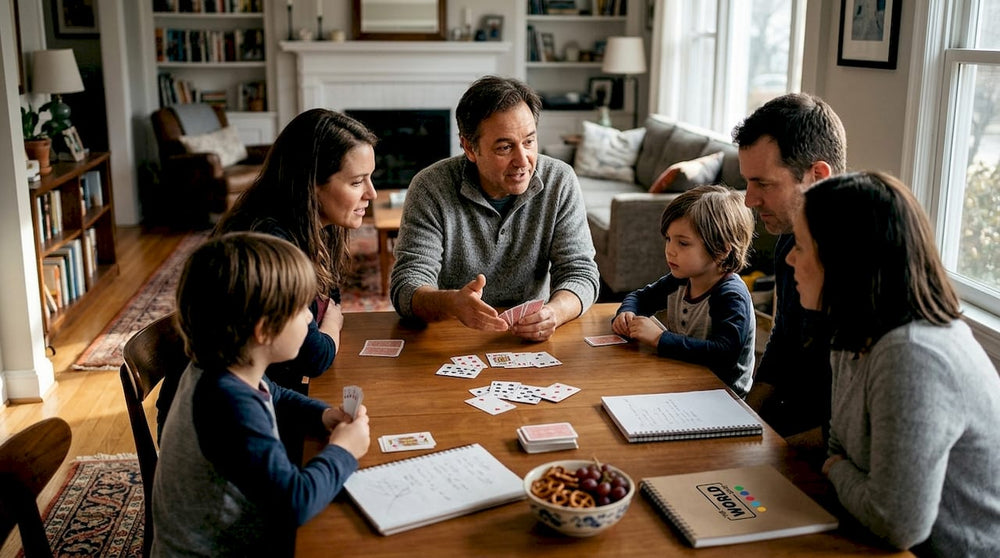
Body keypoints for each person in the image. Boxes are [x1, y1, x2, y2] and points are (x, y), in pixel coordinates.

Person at [787, 172, 1000, 556]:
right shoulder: (852, 331)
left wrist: (836, 470)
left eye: (800, 247)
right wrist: (842, 468)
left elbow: (896, 523)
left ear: (843, 262)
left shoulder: (914, 355)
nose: (788, 259)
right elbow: (838, 443)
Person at [156, 109, 377, 435]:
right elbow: (314, 356)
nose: (371, 193)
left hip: (270, 392)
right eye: (357, 182)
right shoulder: (268, 243)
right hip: (225, 420)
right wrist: (331, 323)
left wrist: (327, 321)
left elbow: (331, 297)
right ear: (311, 183)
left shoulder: (318, 223)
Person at [152, 232, 371, 557]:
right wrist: (344, 450)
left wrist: (321, 415)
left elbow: (276, 396)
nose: (312, 317)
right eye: (302, 310)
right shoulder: (228, 402)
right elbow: (295, 502)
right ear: (264, 330)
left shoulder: (224, 369)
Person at [389, 76, 600, 342]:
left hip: (531, 339)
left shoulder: (560, 180)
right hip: (451, 335)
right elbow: (406, 286)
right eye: (505, 147)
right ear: (469, 147)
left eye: (529, 142)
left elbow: (580, 271)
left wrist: (554, 313)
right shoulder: (430, 187)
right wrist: (452, 303)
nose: (523, 161)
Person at [732, 93, 847, 444]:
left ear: (817, 175)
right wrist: (741, 420)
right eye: (747, 182)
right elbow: (783, 345)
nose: (749, 200)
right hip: (786, 427)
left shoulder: (863, 263)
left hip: (828, 448)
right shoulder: (790, 239)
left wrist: (770, 451)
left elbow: (855, 431)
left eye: (763, 183)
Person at [612, 185, 756, 397]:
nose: (670, 250)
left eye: (683, 243)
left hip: (722, 397)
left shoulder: (731, 295)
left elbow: (724, 353)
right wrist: (626, 314)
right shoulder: (679, 280)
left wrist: (660, 339)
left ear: (723, 248)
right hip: (682, 380)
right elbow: (639, 297)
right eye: (668, 239)